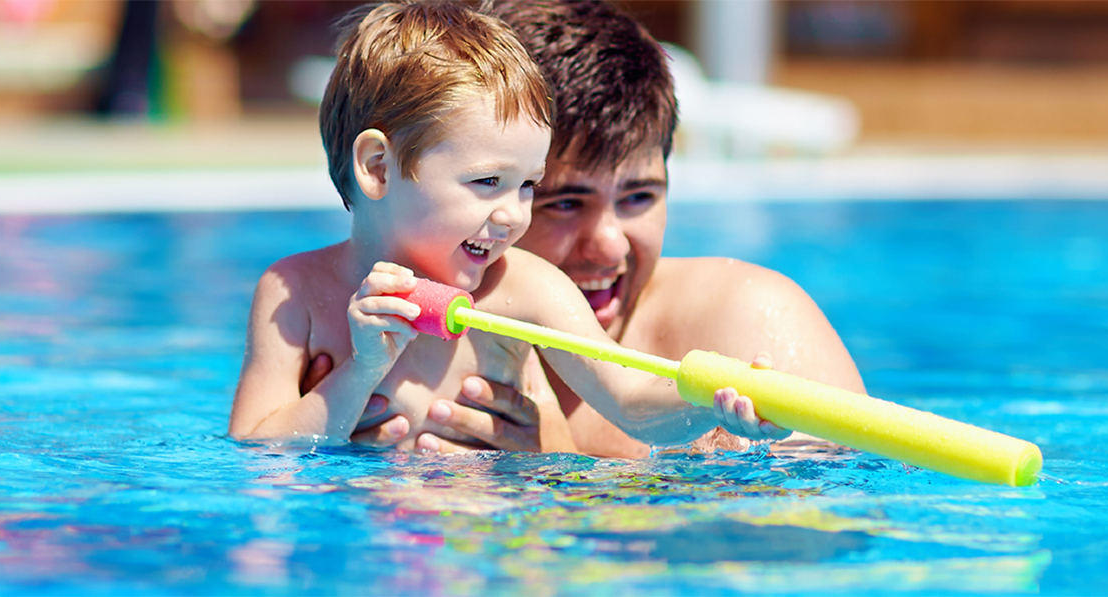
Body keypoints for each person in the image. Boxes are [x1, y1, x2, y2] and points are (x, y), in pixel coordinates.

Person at [228, 0, 780, 451]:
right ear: (378, 168)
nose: (516, 214)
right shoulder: (296, 293)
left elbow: (630, 403)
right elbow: (255, 450)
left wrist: (715, 400)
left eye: (528, 185)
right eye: (487, 182)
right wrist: (360, 370)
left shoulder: (526, 289)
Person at [340, 0, 866, 456]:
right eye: (566, 203)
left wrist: (555, 471)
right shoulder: (371, 325)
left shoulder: (748, 319)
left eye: (639, 197)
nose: (609, 244)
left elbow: (833, 523)